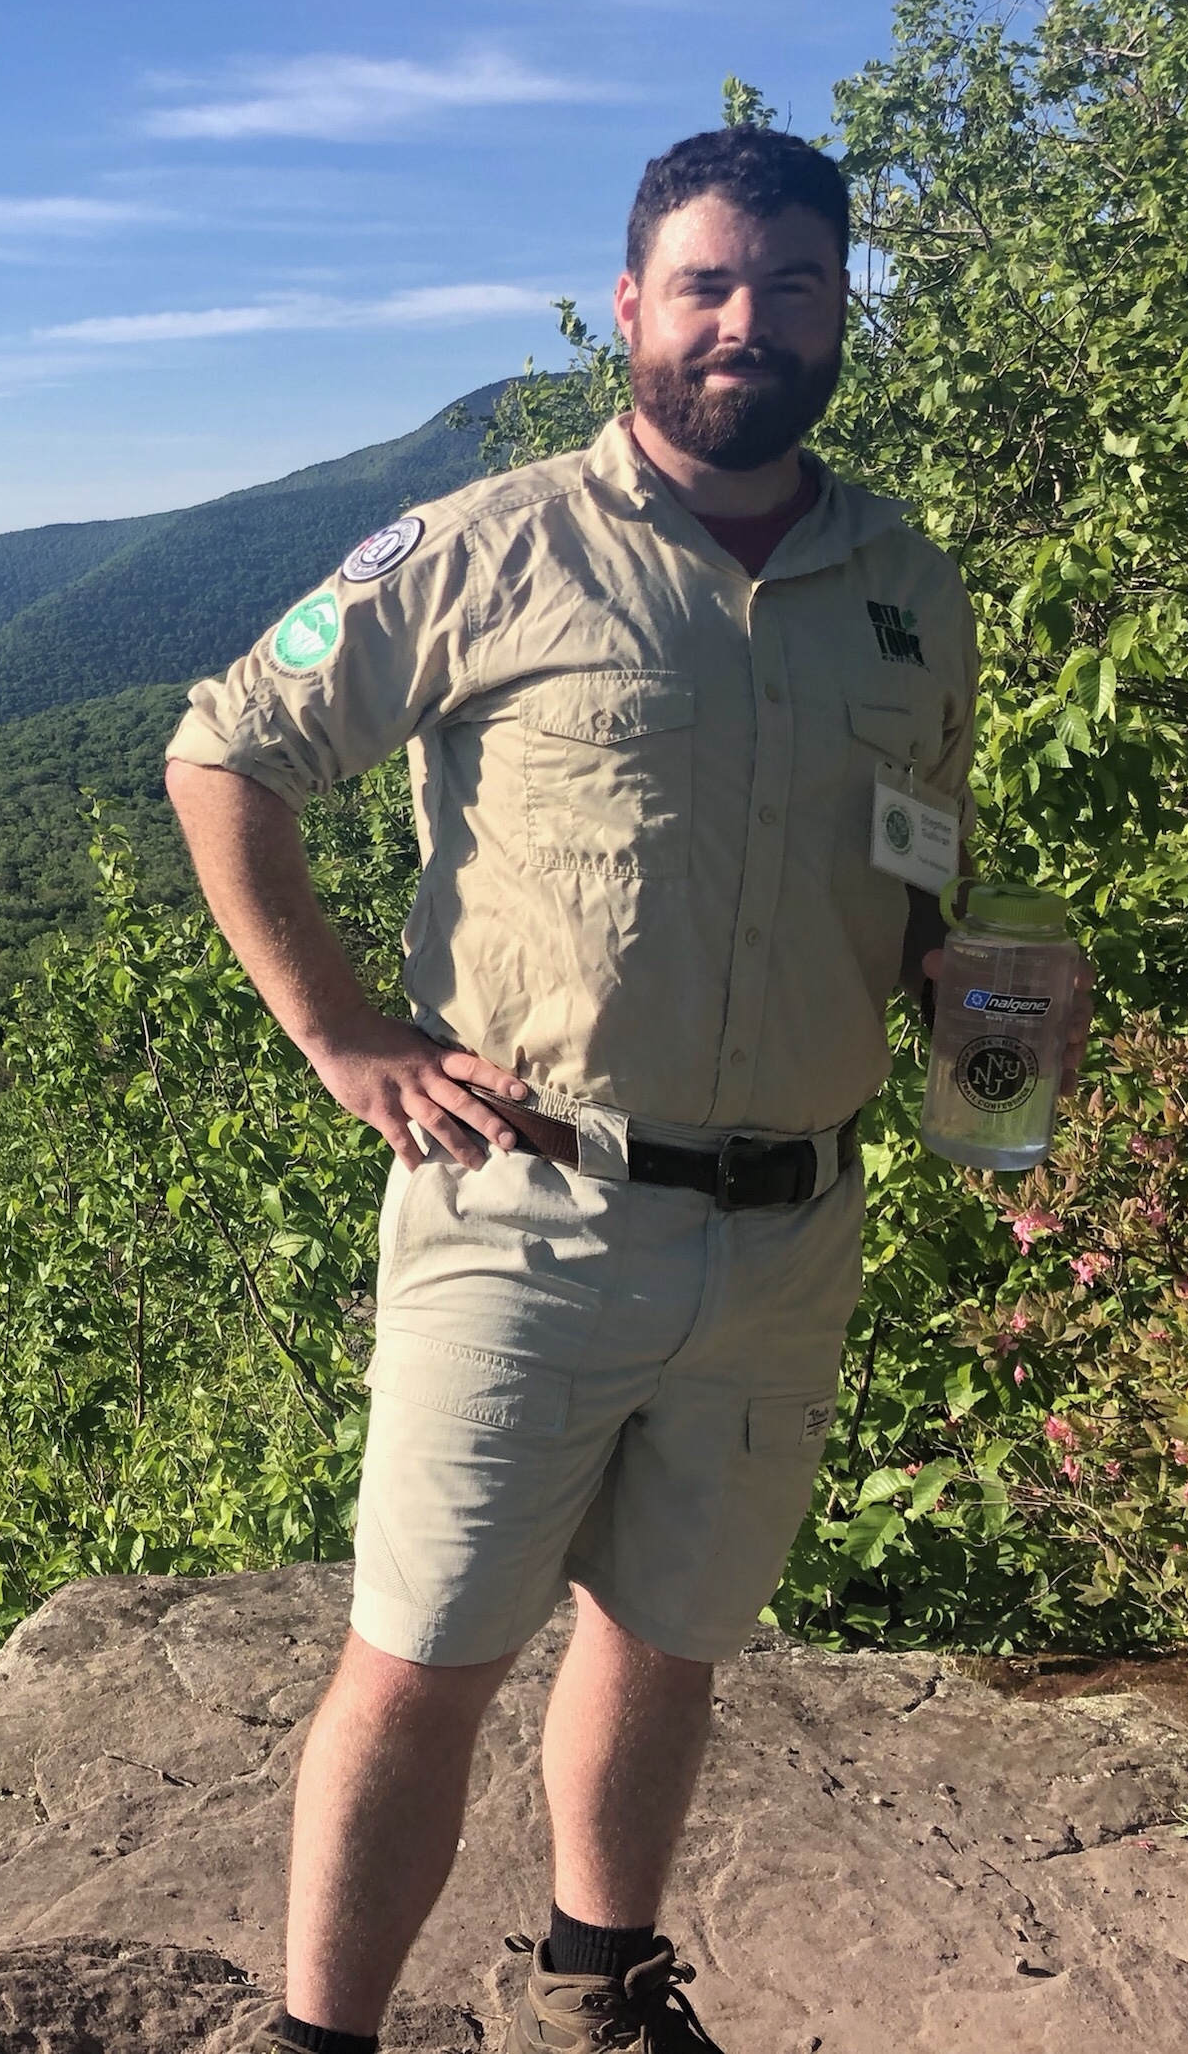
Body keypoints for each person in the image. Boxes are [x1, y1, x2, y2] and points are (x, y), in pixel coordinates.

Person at [162, 125, 1089, 2054]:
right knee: (421, 1661)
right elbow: (224, 750)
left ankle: (598, 1990)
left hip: (789, 1224)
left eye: (797, 286)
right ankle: (318, 2038)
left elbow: (914, 848)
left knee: (667, 1646)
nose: (753, 321)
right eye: (711, 283)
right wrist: (346, 1036)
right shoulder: (482, 546)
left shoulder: (909, 584)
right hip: (529, 1210)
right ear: (633, 308)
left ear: (847, 308)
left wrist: (953, 986)